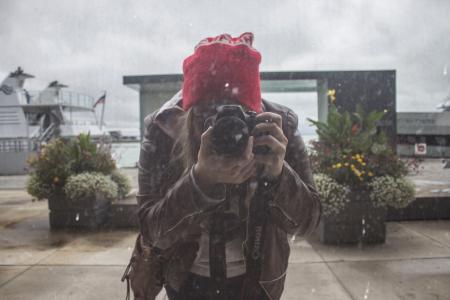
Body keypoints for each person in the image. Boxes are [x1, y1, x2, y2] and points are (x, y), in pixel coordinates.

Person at [123, 32, 321, 300]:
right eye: (209, 114)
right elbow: (152, 231)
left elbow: (308, 222)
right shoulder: (163, 132)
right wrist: (199, 180)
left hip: (258, 280)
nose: (226, 128)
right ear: (189, 112)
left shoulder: (278, 127)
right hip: (185, 279)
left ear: (255, 111)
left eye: (239, 112)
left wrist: (278, 175)